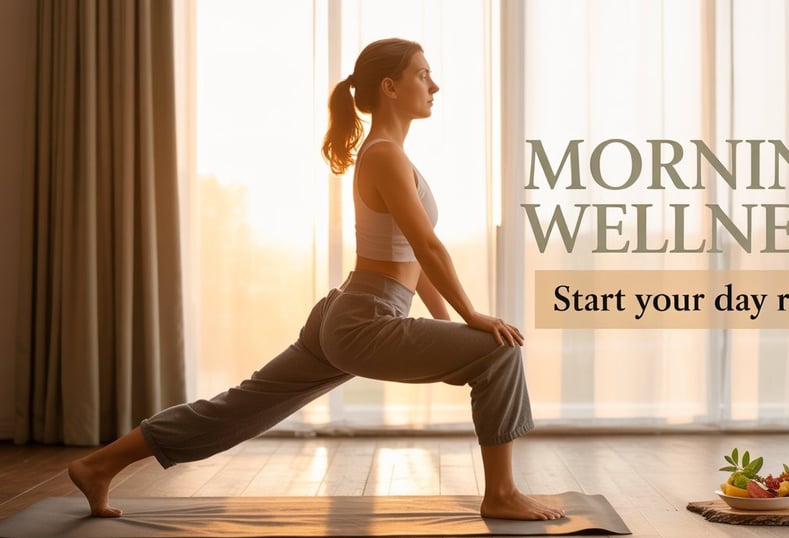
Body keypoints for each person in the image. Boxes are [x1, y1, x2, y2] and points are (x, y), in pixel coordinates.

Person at [68, 37, 565, 522]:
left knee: (241, 406)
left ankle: (98, 464)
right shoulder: (385, 154)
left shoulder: (388, 153)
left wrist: (451, 327)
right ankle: (500, 493)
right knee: (502, 351)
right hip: (365, 320)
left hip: (349, 313)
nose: (435, 85)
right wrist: (472, 318)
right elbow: (428, 247)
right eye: (423, 74)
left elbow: (412, 253)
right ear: (390, 87)